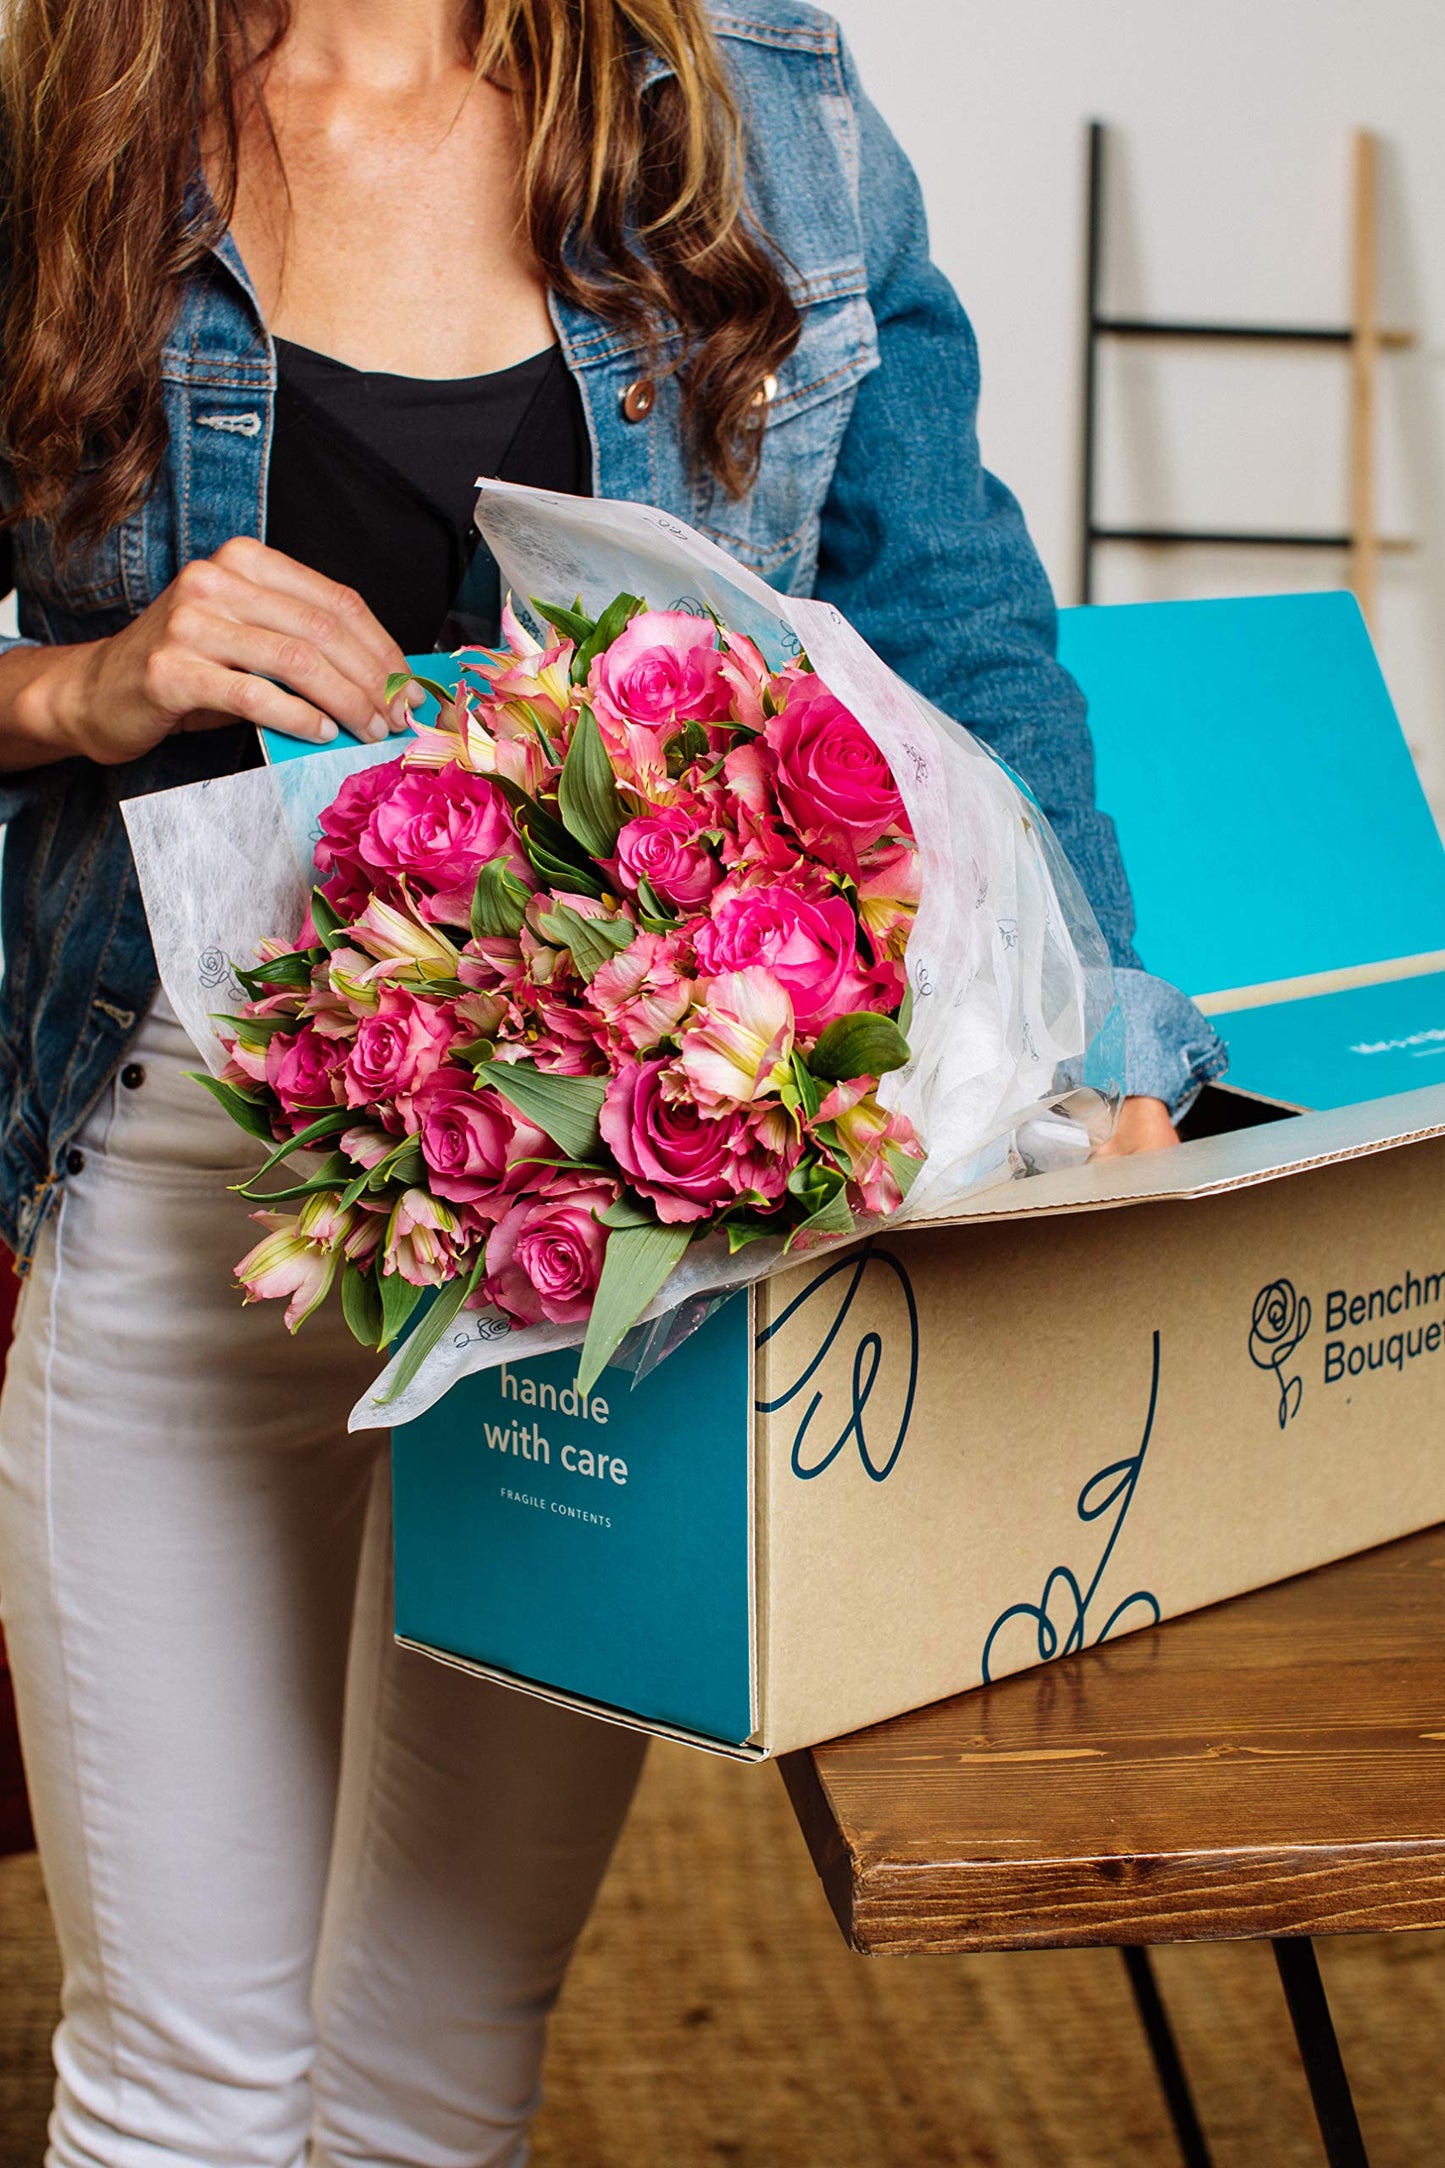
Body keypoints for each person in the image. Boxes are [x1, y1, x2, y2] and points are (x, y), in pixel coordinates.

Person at [0, 1, 1226, 2160]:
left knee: (436, 2068)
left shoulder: (759, 98)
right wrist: (87, 681)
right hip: (201, 1181)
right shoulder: (57, 103)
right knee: (184, 2085)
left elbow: (952, 611)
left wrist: (1104, 1034)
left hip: (614, 1232)